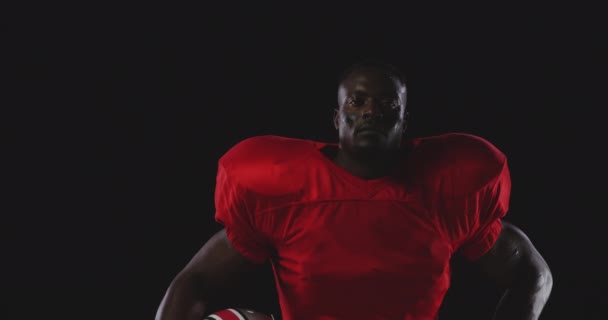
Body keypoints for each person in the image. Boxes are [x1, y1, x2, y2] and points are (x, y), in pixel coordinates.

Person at [155, 60, 553, 320]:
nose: (370, 112)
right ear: (337, 117)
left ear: (404, 119)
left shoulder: (450, 189)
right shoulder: (282, 189)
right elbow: (196, 280)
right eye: (358, 101)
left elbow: (531, 275)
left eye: (386, 104)